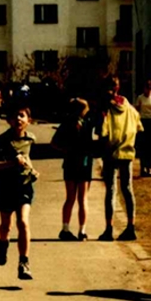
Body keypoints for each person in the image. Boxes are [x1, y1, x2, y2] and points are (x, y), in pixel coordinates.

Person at [0, 106, 39, 280]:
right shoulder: (1, 141)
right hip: (5, 187)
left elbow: (27, 157)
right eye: (14, 116)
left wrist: (32, 169)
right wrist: (11, 163)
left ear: (28, 120)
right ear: (8, 120)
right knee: (6, 226)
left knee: (23, 222)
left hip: (24, 186)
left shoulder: (31, 139)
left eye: (22, 115)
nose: (18, 118)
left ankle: (23, 263)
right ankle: (3, 242)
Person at [98, 75, 143, 242]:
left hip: (111, 153)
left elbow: (103, 132)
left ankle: (109, 229)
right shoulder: (129, 108)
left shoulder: (106, 109)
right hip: (127, 152)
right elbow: (138, 127)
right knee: (127, 189)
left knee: (111, 190)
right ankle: (131, 226)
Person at [51, 97, 95, 241]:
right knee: (83, 198)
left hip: (70, 162)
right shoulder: (88, 124)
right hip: (84, 163)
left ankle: (65, 228)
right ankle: (82, 230)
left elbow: (54, 143)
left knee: (70, 198)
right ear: (82, 110)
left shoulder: (66, 123)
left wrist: (66, 150)